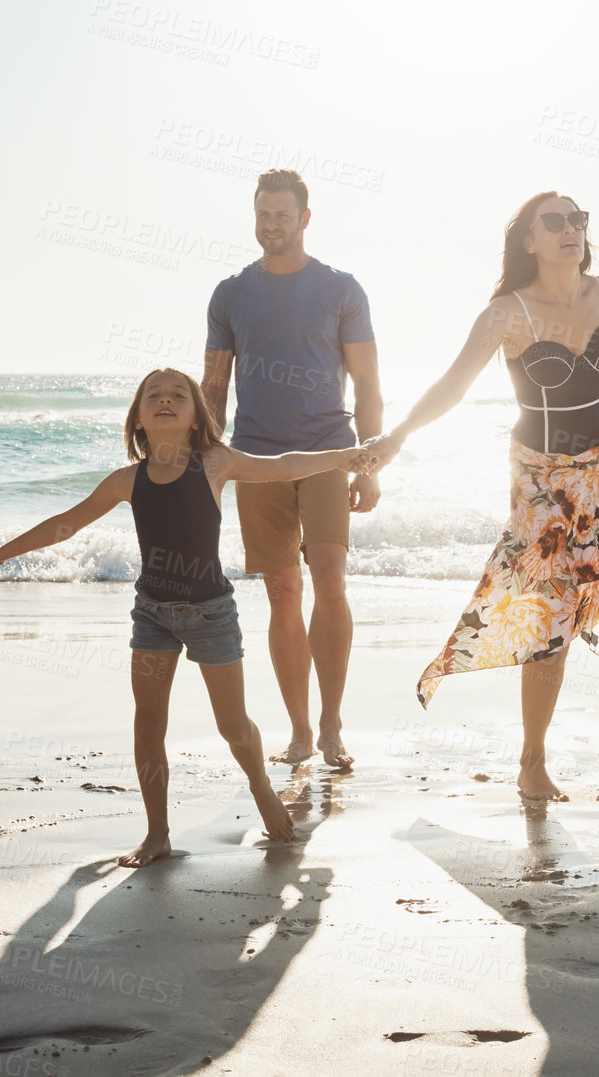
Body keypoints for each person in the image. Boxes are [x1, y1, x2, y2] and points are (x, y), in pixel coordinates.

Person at [0, 368, 371, 867]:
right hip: (151, 614)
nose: (166, 401)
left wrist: (348, 457)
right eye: (153, 396)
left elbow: (285, 466)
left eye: (179, 395)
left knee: (233, 725)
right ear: (137, 418)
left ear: (198, 416)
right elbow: (63, 525)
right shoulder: (126, 480)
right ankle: (157, 833)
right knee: (148, 722)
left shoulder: (216, 463)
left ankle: (261, 785)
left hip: (211, 613)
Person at [364, 191, 599, 803]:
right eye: (555, 221)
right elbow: (453, 385)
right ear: (528, 239)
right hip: (542, 479)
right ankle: (532, 763)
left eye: (578, 219)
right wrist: (396, 437)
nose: (570, 229)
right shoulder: (506, 313)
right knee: (547, 617)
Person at [202, 168, 382, 770]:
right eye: (262, 214)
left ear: (305, 219)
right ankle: (301, 732)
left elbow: (368, 384)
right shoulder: (230, 294)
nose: (271, 224)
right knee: (282, 592)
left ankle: (332, 724)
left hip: (329, 450)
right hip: (255, 458)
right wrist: (208, 463)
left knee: (329, 579)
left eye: (282, 214)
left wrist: (369, 465)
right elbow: (214, 386)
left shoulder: (341, 290)